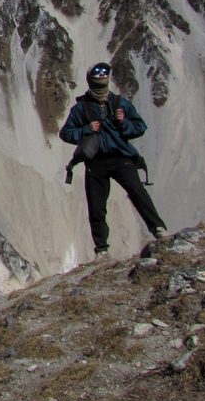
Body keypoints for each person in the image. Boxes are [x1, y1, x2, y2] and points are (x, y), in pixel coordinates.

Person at [59, 62, 168, 257]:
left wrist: (123, 123)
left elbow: (139, 127)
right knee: (97, 206)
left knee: (137, 192)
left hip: (119, 158)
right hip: (98, 161)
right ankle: (102, 248)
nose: (100, 84)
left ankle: (157, 228)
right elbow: (66, 133)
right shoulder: (82, 108)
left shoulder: (119, 104)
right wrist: (86, 129)